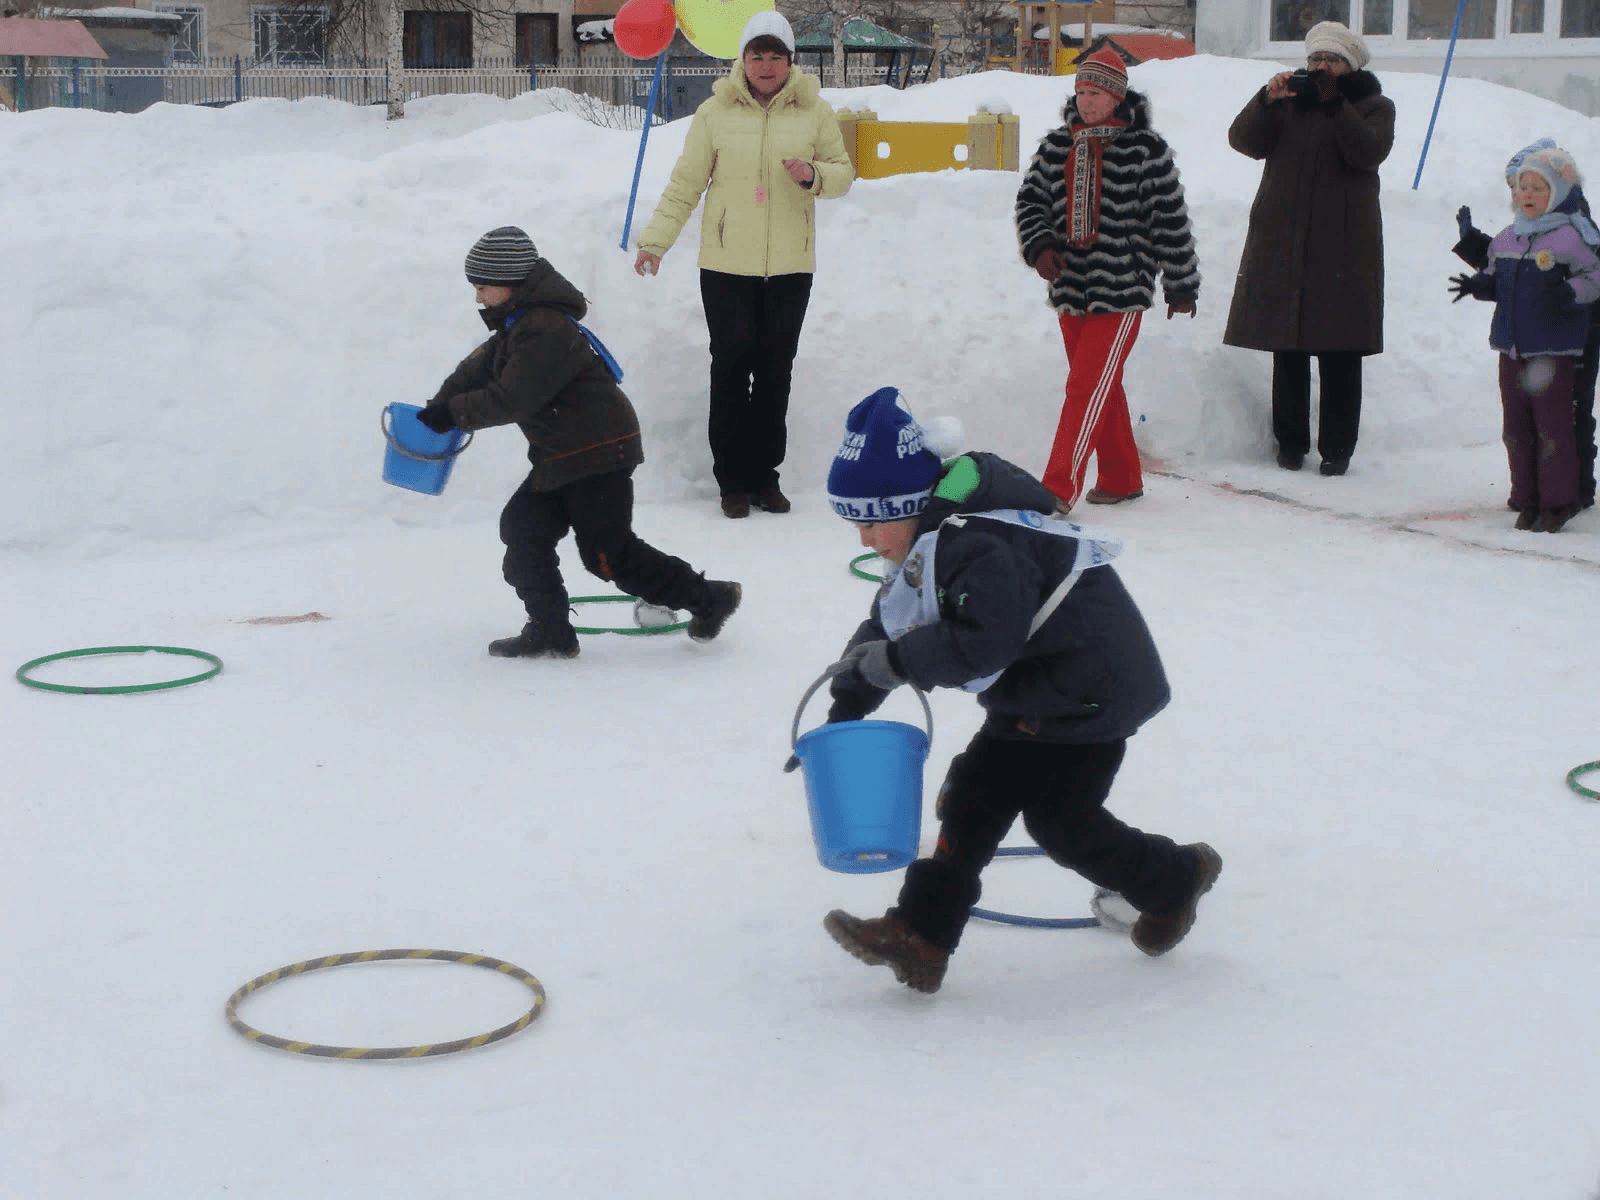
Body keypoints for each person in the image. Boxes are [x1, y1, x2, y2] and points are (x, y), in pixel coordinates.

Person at [814, 387, 1221, 995]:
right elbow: (896, 616)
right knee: (972, 799)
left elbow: (983, 644)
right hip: (1037, 688)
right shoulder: (931, 536)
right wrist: (850, 701)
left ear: (906, 502)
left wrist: (895, 663)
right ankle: (920, 939)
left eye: (872, 524)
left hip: (1091, 690)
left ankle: (1177, 879)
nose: (865, 542)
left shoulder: (978, 545)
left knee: (1062, 823)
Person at [417, 226, 742, 656]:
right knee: (522, 530)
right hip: (562, 455)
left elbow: (514, 397)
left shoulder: (545, 329)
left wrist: (453, 414)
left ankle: (710, 598)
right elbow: (476, 369)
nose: (477, 296)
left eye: (481, 286)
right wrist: (440, 403)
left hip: (598, 453)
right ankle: (550, 629)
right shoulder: (517, 326)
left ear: (510, 282)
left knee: (608, 555)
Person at [633, 11, 854, 521]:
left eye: (776, 55)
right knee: (731, 368)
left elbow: (843, 174)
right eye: (757, 54)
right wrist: (655, 243)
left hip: (790, 268)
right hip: (726, 267)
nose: (766, 64)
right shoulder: (714, 113)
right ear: (743, 59)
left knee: (775, 371)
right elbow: (685, 186)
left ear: (790, 61)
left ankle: (765, 477)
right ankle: (732, 481)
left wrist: (813, 174)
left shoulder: (814, 112)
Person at [1014, 47, 1201, 512]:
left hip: (1123, 286)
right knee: (1100, 384)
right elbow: (1030, 202)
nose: (1085, 100)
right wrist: (1040, 246)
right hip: (1069, 286)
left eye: (1095, 92)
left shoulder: (1146, 150)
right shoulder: (1058, 145)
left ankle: (1057, 488)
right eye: (1080, 91)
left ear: (1117, 97)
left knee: (1085, 388)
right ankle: (1121, 477)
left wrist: (1180, 282)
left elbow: (1169, 220)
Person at [1224, 21, 1395, 477]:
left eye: (1332, 61)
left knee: (1341, 351)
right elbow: (1242, 140)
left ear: (1349, 66)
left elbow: (1367, 152)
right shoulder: (1289, 106)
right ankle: (1290, 442)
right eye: (1316, 59)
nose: (1322, 67)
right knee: (1289, 346)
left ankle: (1338, 449)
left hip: (1343, 247)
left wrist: (1336, 104)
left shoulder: (1375, 106)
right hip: (1284, 240)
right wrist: (1266, 100)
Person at [1447, 146, 1600, 534]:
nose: (1527, 194)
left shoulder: (1571, 237)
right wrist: (1477, 285)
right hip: (1512, 349)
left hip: (1553, 350)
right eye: (1521, 187)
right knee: (1516, 428)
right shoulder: (1507, 238)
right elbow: (1499, 281)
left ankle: (1558, 502)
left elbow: (1593, 278)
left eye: (1537, 187)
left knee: (1553, 428)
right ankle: (1527, 499)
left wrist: (1571, 292)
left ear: (1557, 193)